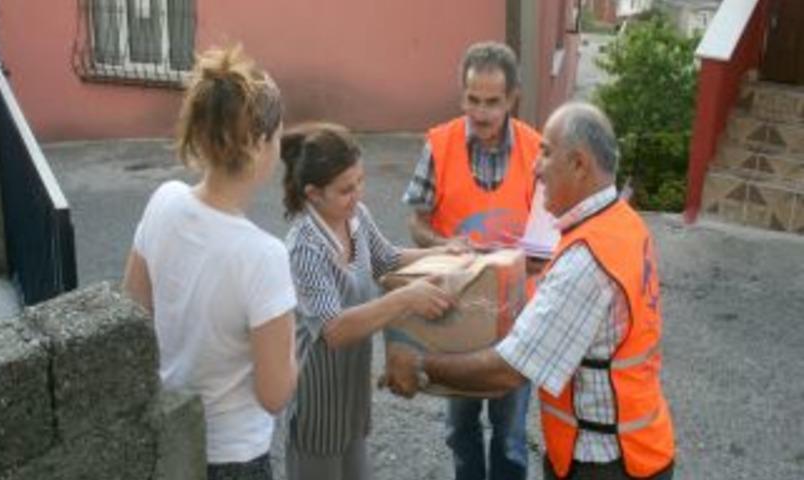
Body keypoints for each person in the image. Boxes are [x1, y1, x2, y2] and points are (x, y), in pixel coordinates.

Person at [387, 102, 677, 480]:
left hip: (605, 463)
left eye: (546, 152)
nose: (536, 167)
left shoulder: (587, 260)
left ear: (578, 164)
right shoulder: (623, 224)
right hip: (634, 446)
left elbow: (510, 371)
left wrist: (421, 366)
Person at [122, 45, 297, 480]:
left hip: (171, 437)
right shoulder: (263, 257)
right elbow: (275, 394)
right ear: (258, 144)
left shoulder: (163, 200)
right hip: (234, 455)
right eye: (277, 137)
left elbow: (133, 312)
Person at [281, 122, 459, 480]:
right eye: (346, 189)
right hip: (318, 402)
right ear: (313, 193)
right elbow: (333, 329)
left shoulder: (355, 217)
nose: (358, 194)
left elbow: (388, 258)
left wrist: (444, 251)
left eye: (360, 181)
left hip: (352, 396)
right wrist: (406, 299)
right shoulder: (304, 247)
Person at [401, 41, 540, 480]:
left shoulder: (538, 152)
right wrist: (442, 244)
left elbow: (550, 235)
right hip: (457, 313)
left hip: (517, 318)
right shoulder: (439, 144)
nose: (480, 113)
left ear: (512, 98)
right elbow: (416, 223)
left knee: (511, 436)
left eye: (492, 102)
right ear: (462, 96)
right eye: (472, 100)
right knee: (460, 430)